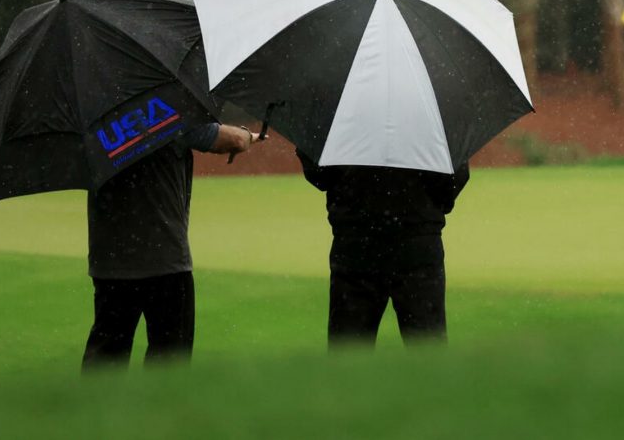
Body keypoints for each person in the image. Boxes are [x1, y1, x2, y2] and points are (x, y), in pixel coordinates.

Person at [82, 122, 260, 370]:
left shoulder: (93, 121)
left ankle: (95, 409)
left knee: (105, 357)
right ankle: (160, 409)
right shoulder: (165, 111)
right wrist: (247, 134)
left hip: (110, 258)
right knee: (170, 361)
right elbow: (231, 140)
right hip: (164, 258)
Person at [297, 150, 469, 348]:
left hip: (356, 244)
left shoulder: (343, 122)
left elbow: (320, 175)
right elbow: (452, 183)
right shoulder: (436, 126)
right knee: (428, 351)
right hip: (418, 244)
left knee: (348, 355)